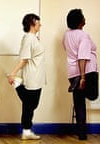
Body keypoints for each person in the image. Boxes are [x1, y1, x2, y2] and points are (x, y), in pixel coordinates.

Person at [62, 9, 98, 140]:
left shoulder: (66, 34)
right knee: (93, 95)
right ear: (79, 22)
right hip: (86, 72)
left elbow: (66, 48)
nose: (84, 18)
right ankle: (81, 84)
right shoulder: (83, 35)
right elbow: (82, 57)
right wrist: (83, 77)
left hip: (72, 73)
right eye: (83, 17)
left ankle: (82, 134)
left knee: (79, 104)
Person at [8, 13, 45, 140]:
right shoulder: (29, 38)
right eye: (38, 22)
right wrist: (13, 73)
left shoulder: (33, 38)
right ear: (32, 24)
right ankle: (26, 130)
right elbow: (24, 59)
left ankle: (27, 130)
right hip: (32, 76)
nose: (40, 24)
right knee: (30, 104)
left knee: (31, 104)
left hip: (37, 75)